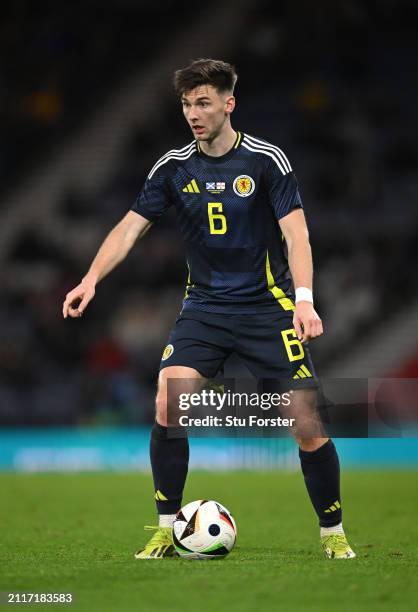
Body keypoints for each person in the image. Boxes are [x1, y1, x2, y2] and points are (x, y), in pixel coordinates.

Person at [63, 58, 355, 560]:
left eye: (203, 103)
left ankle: (333, 534)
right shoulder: (173, 167)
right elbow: (131, 227)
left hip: (269, 307)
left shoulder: (267, 161)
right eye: (186, 104)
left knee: (306, 422)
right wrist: (91, 277)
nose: (193, 114)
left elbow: (296, 234)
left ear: (228, 103)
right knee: (167, 403)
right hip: (205, 307)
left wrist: (304, 301)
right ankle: (164, 528)